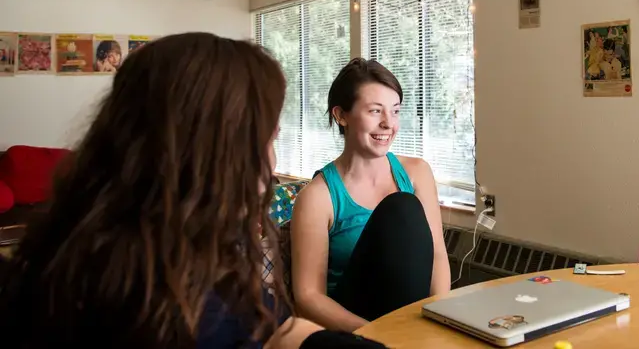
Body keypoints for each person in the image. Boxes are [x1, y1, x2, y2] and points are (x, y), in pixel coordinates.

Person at [0, 33, 386, 349]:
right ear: (209, 153)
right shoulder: (155, 309)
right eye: (267, 138)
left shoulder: (174, 253)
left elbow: (278, 329)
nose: (271, 162)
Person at [291, 58, 450, 332]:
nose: (389, 123)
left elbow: (436, 255)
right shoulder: (318, 197)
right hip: (357, 323)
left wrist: (439, 322)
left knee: (404, 207)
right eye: (375, 111)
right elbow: (308, 296)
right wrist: (377, 335)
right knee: (401, 209)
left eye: (395, 111)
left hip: (414, 324)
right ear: (341, 115)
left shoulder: (417, 174)